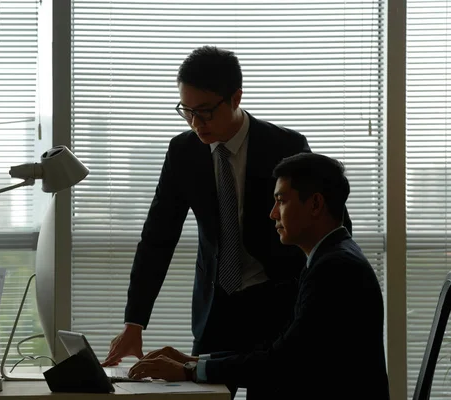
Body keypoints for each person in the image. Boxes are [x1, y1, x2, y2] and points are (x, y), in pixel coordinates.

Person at [102, 46, 352, 367]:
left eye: (205, 111)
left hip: (278, 304)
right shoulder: (184, 152)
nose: (196, 123)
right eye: (187, 111)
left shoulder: (285, 146)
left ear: (236, 98)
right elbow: (157, 238)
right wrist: (134, 323)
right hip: (215, 310)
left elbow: (334, 225)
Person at [127, 153, 390, 400]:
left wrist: (189, 371)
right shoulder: (330, 259)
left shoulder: (335, 269)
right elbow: (279, 349)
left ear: (315, 204)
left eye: (281, 200)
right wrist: (195, 361)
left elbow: (284, 362)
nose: (273, 213)